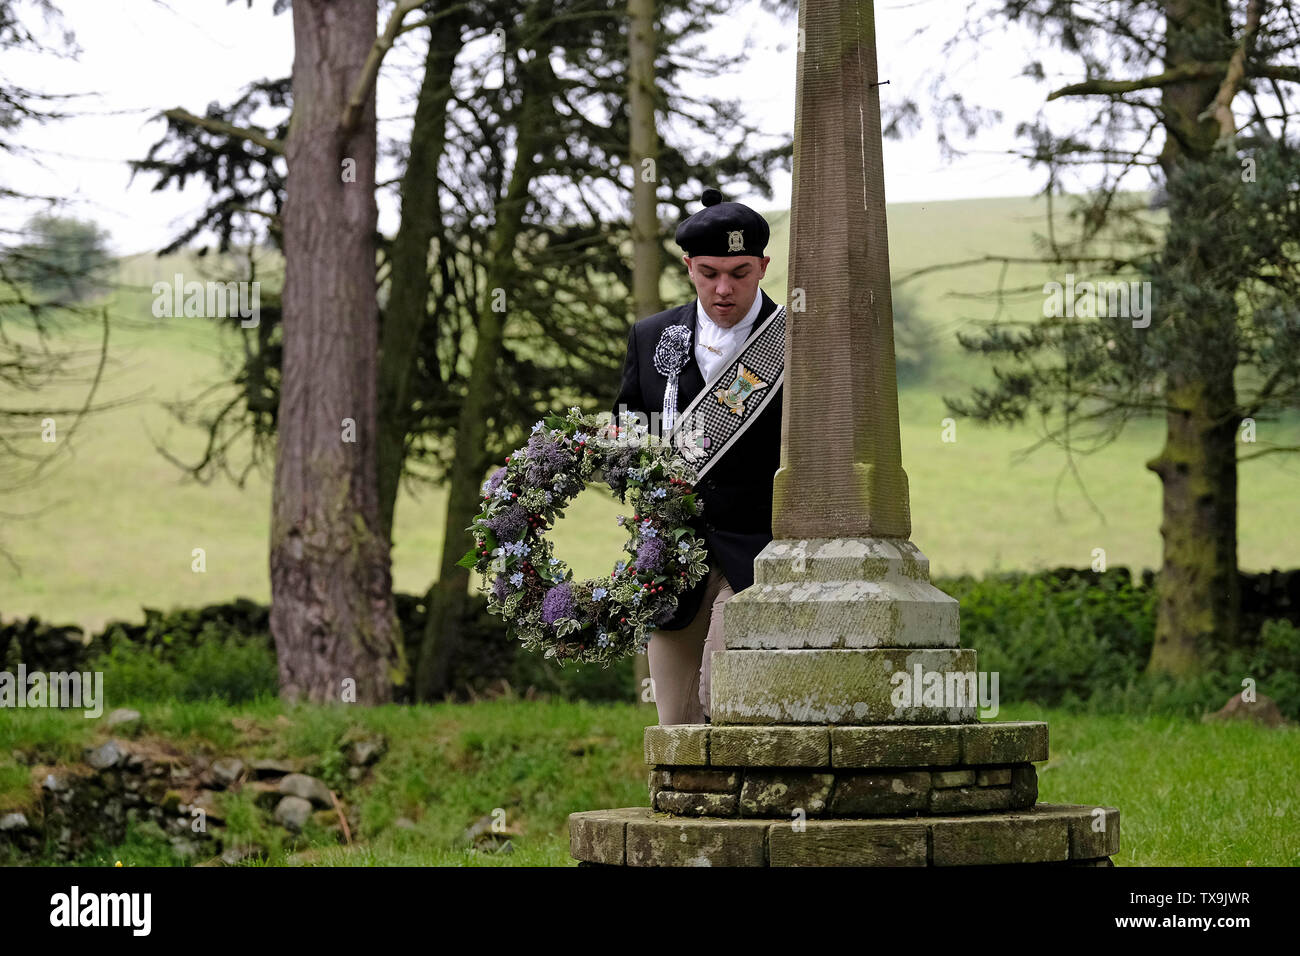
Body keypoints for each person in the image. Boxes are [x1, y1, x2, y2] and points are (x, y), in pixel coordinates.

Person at [608, 187, 784, 725]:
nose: (724, 288)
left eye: (740, 272)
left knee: (723, 705)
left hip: (761, 555)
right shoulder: (652, 336)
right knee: (675, 729)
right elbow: (627, 429)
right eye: (709, 273)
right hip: (672, 560)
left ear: (763, 267)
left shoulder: (794, 340)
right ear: (688, 267)